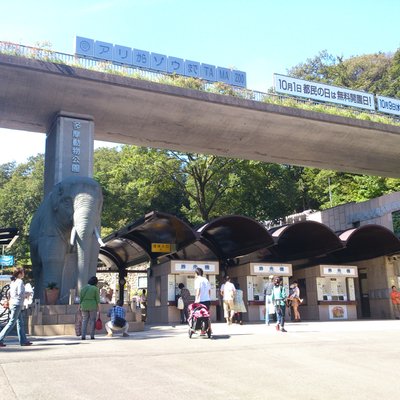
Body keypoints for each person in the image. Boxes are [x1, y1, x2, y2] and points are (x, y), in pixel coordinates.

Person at [0, 267, 32, 347]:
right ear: (20, 273)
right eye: (23, 272)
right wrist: (27, 294)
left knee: (20, 323)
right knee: (12, 322)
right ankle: (0, 338)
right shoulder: (20, 281)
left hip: (13, 304)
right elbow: (20, 294)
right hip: (17, 304)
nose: (24, 273)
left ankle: (23, 341)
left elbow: (11, 293)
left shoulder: (13, 282)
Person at [79, 276, 100, 340]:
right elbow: (98, 300)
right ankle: (92, 335)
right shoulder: (95, 289)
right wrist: (99, 308)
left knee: (84, 321)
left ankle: (83, 336)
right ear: (95, 282)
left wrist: (79, 307)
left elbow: (80, 299)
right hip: (92, 306)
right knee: (92, 321)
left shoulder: (83, 288)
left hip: (84, 306)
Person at [194, 267, 212, 332]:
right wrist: (208, 297)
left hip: (200, 301)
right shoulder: (206, 280)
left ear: (196, 273)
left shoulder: (197, 280)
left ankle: (201, 330)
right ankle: (209, 328)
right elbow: (209, 291)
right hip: (207, 300)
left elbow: (198, 290)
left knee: (200, 315)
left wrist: (196, 299)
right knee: (207, 315)